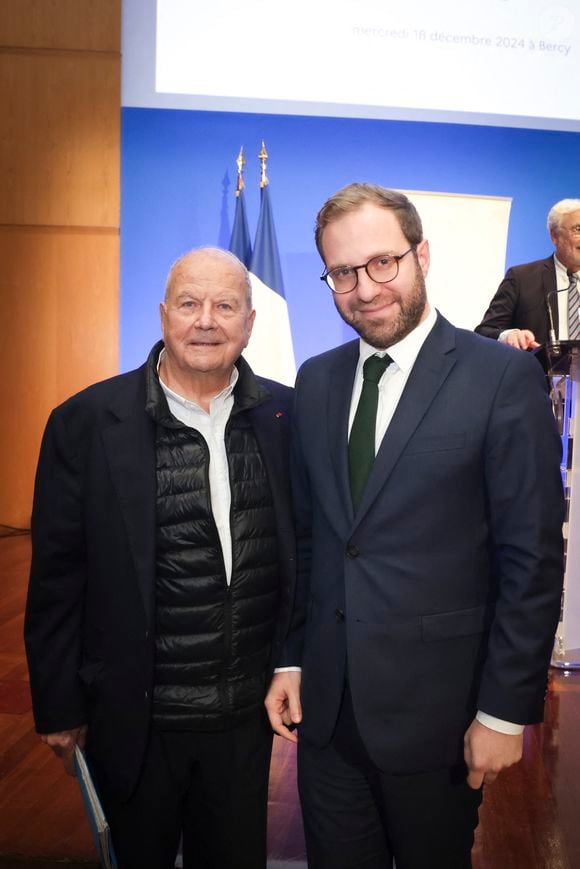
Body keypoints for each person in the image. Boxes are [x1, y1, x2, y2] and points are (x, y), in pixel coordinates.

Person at [265, 183, 564, 869]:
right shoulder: (315, 381)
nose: (364, 288)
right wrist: (290, 656)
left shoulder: (500, 378)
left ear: (421, 254)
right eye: (342, 271)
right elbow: (309, 538)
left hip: (442, 721)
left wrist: (502, 711)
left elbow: (532, 558)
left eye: (382, 263)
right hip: (328, 720)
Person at [25, 247, 295, 869]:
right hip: (136, 718)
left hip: (242, 718)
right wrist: (59, 708)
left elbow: (300, 558)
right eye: (189, 304)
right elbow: (57, 579)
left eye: (225, 306)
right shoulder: (86, 423)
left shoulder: (285, 417)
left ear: (250, 323)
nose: (206, 320)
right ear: (163, 316)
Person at [475, 198, 580, 349]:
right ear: (554, 235)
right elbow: (484, 332)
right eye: (578, 229)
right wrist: (509, 335)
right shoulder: (522, 278)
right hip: (536, 370)